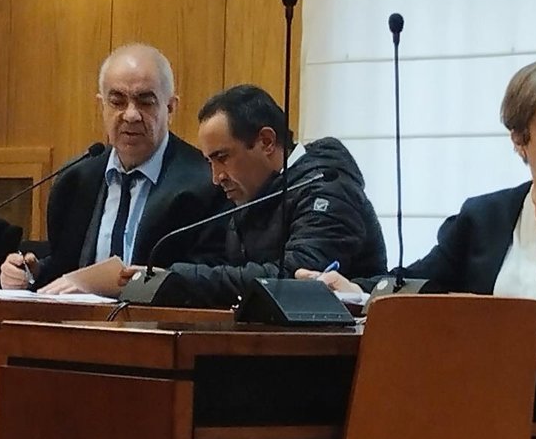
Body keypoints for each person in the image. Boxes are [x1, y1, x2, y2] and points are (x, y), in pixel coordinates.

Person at [297, 58, 536, 326]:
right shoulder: (483, 218)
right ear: (519, 139)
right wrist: (358, 291)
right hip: (487, 388)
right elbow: (417, 285)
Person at [116, 83, 386, 306]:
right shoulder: (255, 193)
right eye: (210, 162)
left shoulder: (328, 190)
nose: (216, 177)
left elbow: (294, 277)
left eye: (222, 158)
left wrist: (180, 280)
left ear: (266, 142)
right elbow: (228, 270)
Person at [0, 43, 227, 292]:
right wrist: (33, 273)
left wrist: (103, 285)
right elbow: (66, 266)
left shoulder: (205, 182)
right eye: (117, 102)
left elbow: (204, 278)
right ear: (102, 106)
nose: (131, 115)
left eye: (145, 102)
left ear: (170, 107)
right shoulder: (75, 179)